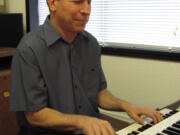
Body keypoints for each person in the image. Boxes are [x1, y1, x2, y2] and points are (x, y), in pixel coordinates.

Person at [9, 0, 163, 135]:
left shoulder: (91, 44)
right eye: (77, 2)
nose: (87, 10)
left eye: (89, 2)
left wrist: (127, 106)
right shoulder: (29, 49)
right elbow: (34, 114)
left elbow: (99, 94)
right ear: (52, 3)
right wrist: (83, 122)